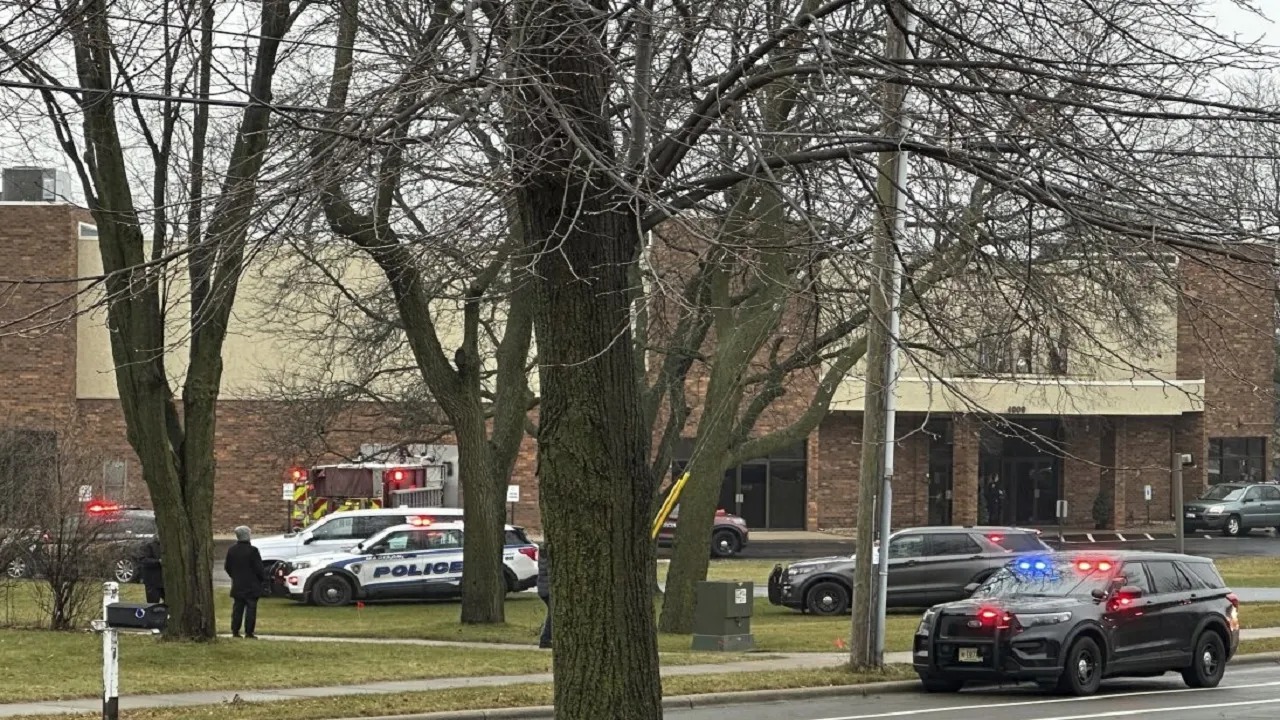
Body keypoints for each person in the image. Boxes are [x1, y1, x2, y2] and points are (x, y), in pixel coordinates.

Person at [224, 526, 267, 639]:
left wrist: (235, 576)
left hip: (238, 584)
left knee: (237, 609)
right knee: (251, 609)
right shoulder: (253, 551)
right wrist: (262, 579)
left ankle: (235, 631)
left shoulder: (232, 550)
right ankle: (249, 632)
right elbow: (259, 568)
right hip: (252, 585)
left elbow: (227, 567)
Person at [138, 536, 164, 604]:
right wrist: (158, 561)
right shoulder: (148, 545)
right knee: (153, 604)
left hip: (165, 581)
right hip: (152, 581)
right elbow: (143, 560)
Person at [536, 543, 551, 649]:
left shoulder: (543, 557)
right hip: (547, 589)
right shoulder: (547, 560)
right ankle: (545, 639)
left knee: (551, 614)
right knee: (552, 615)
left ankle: (546, 638)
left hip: (543, 588)